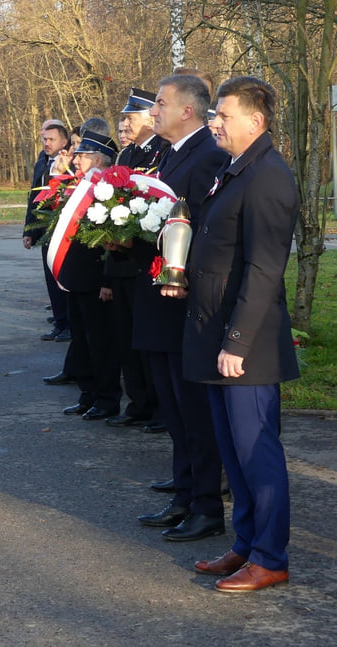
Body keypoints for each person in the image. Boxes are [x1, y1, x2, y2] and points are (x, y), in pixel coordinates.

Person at [182, 76, 299, 591]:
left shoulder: (269, 175)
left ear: (256, 120)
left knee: (257, 453)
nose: (214, 122)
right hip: (217, 333)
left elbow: (264, 270)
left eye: (223, 115)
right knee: (233, 451)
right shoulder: (236, 170)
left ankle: (270, 557)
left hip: (244, 345)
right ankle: (247, 545)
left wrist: (237, 344)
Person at [134, 75, 229, 542]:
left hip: (182, 301)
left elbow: (203, 227)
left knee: (192, 408)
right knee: (171, 405)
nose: (154, 111)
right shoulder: (168, 154)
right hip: (157, 299)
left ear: (187, 111)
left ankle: (206, 506)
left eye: (160, 104)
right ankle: (184, 495)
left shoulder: (207, 155)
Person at [104, 88, 168, 429]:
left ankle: (159, 406)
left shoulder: (161, 151)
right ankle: (139, 403)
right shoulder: (126, 155)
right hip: (123, 258)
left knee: (149, 339)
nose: (125, 124)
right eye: (124, 118)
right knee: (129, 338)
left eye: (131, 118)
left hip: (147, 257)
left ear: (148, 119)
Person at [57, 129, 122, 421]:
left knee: (101, 342)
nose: (76, 158)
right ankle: (88, 393)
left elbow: (113, 238)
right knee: (82, 339)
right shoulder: (82, 184)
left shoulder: (111, 188)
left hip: (96, 280)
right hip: (75, 278)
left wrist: (107, 281)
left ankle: (106, 398)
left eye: (81, 155)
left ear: (98, 158)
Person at [23, 119, 71, 343]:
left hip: (62, 229)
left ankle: (68, 324)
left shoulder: (70, 164)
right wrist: (28, 229)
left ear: (64, 141)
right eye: (44, 139)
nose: (47, 143)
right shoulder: (42, 162)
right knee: (50, 279)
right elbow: (33, 197)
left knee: (63, 279)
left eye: (51, 139)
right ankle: (59, 322)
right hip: (43, 229)